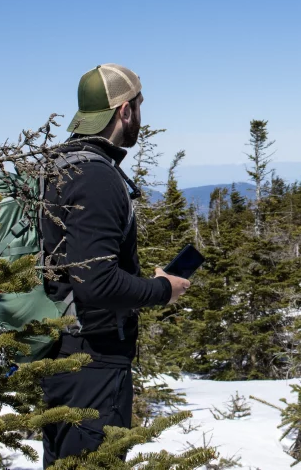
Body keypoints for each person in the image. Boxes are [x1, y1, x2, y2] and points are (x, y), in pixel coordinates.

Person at [40, 63, 191, 467]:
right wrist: (164, 290)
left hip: (63, 354)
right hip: (94, 359)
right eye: (140, 105)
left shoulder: (58, 166)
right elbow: (97, 283)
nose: (141, 114)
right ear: (124, 111)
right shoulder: (97, 178)